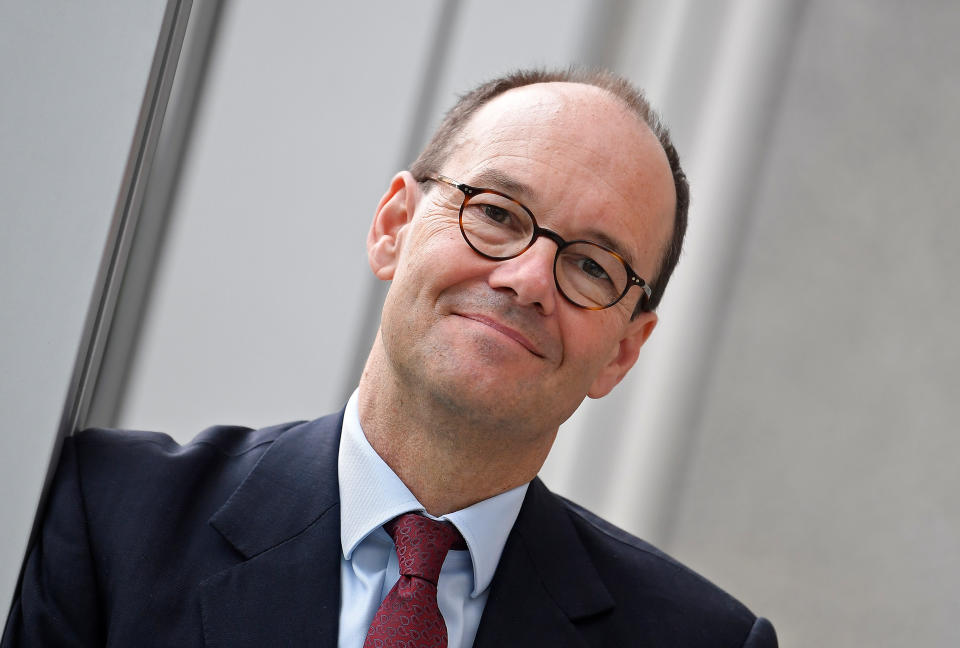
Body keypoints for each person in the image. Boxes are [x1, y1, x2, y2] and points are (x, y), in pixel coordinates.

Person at [2, 68, 777, 647]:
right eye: (498, 214)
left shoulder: (703, 643)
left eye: (592, 267)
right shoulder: (109, 516)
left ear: (624, 352)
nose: (528, 278)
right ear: (394, 226)